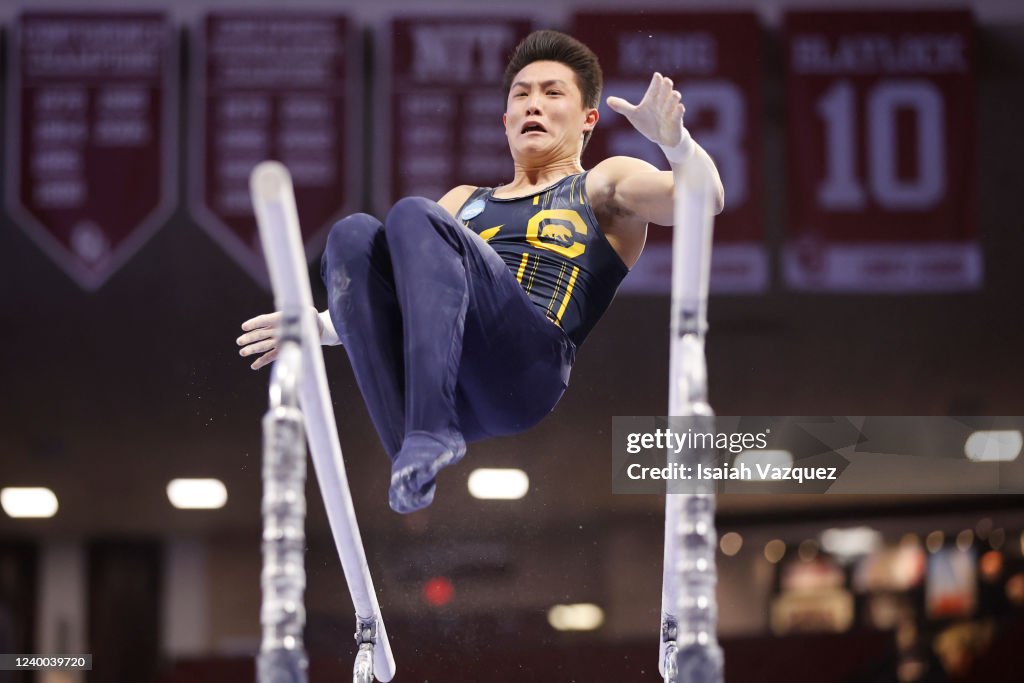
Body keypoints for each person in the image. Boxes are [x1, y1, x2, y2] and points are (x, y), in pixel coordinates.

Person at [237, 30, 724, 513]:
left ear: (587, 120)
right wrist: (323, 324)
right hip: (452, 383)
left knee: (413, 214)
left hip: (526, 370)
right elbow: (403, 301)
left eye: (553, 93)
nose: (534, 105)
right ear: (505, 119)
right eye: (522, 95)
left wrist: (676, 144)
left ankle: (429, 431)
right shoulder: (463, 202)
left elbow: (704, 201)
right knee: (352, 236)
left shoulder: (604, 182)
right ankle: (413, 461)